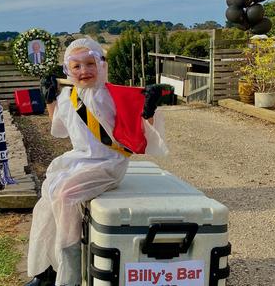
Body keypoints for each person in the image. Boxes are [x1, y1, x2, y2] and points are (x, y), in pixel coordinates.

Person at [26, 37, 169, 286]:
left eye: (90, 63)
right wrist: (49, 99)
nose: (84, 71)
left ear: (102, 65)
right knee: (48, 199)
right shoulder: (67, 97)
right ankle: (46, 270)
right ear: (68, 70)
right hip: (78, 161)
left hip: (107, 163)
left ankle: (69, 276)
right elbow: (59, 128)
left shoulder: (116, 96)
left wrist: (149, 110)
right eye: (76, 66)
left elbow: (139, 138)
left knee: (65, 195)